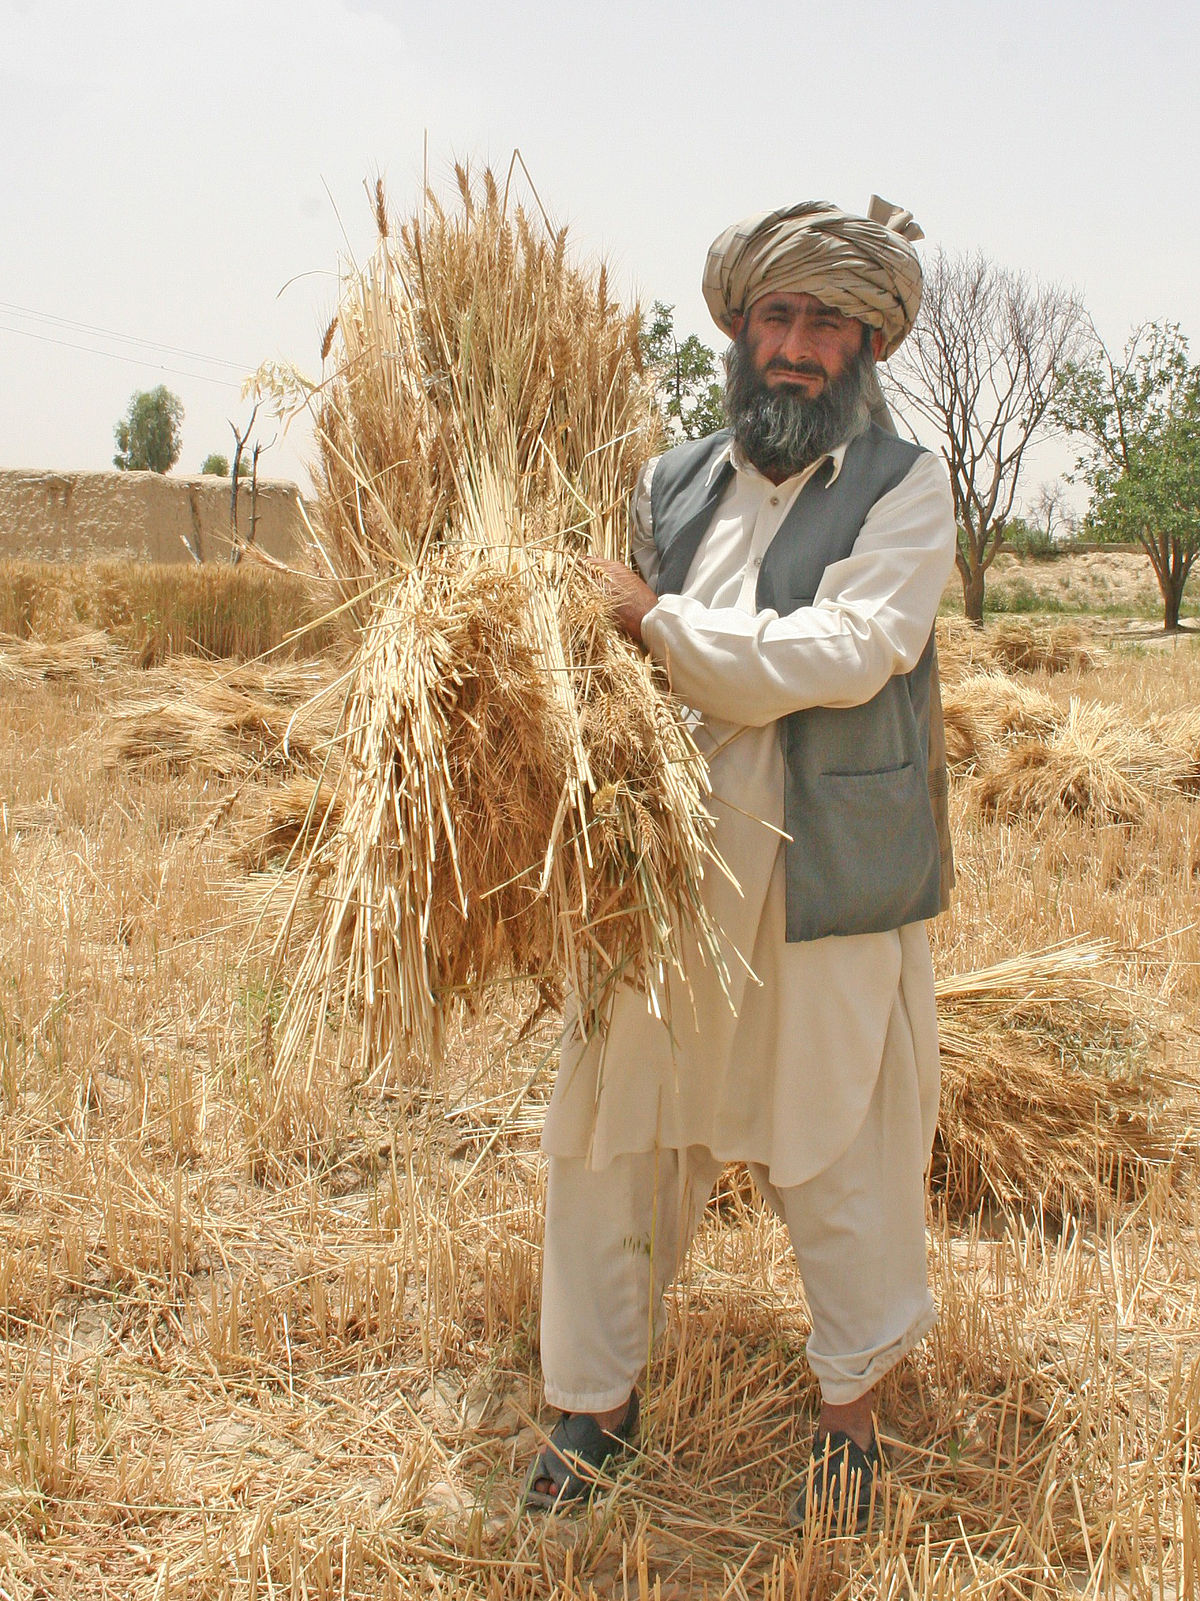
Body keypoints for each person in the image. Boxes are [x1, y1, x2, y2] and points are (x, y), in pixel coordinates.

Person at [524, 198, 957, 1530]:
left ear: (869, 339)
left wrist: (656, 620)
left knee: (841, 1149)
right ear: (738, 326)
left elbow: (841, 653)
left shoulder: (904, 484)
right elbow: (594, 659)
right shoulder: (671, 481)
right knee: (610, 1134)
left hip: (822, 878)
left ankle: (849, 1414)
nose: (796, 342)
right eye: (776, 314)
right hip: (664, 878)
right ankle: (593, 1403)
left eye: (827, 319)